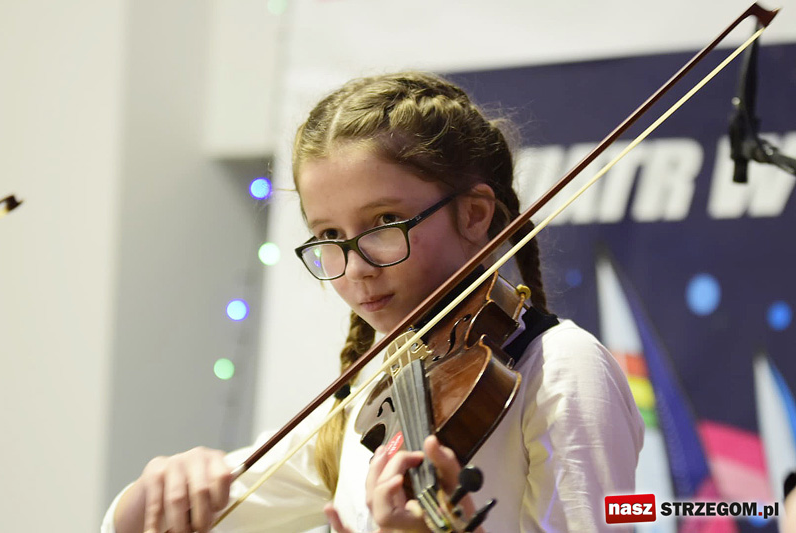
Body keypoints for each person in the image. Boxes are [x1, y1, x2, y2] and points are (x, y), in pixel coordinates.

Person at [102, 71, 645, 533]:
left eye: (385, 222)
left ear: (475, 214)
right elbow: (147, 522)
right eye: (329, 235)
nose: (356, 266)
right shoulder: (380, 389)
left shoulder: (563, 369)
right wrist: (166, 485)